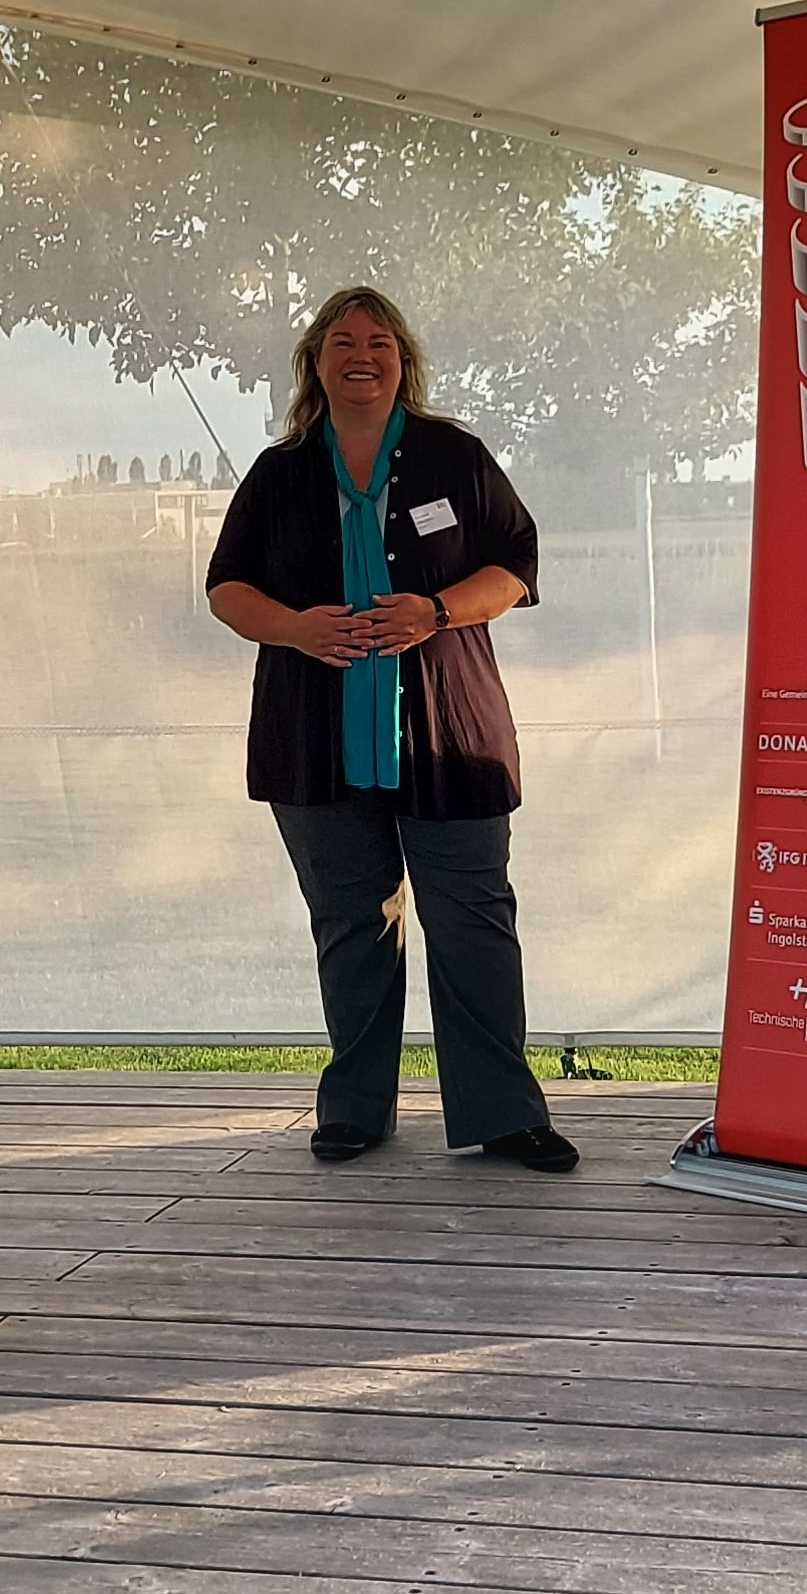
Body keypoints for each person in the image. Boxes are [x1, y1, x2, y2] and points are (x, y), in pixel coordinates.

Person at [204, 285, 577, 1172]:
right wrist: (298, 627)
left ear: (403, 360)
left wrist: (437, 610)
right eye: (341, 340)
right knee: (350, 924)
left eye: (378, 340)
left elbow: (515, 568)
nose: (360, 354)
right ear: (315, 363)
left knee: (473, 923)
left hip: (452, 740)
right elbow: (226, 589)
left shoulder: (455, 457)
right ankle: (355, 1109)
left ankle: (503, 1114)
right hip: (314, 738)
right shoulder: (279, 470)